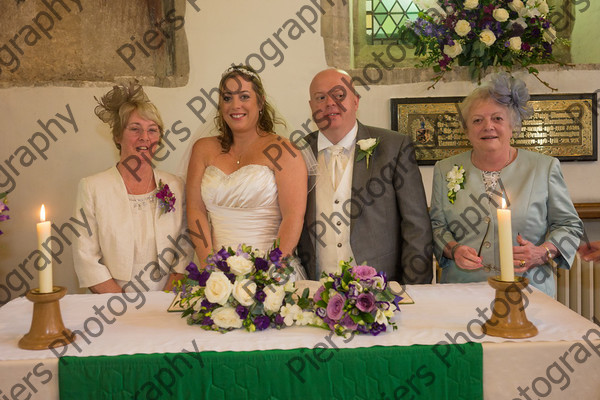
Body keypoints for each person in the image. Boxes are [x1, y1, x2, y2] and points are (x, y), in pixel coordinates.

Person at [429, 73, 583, 297]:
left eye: (497, 118)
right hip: (462, 291)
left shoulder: (544, 168)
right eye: (477, 120)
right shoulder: (444, 169)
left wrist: (542, 252)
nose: (487, 126)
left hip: (529, 291)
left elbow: (570, 226)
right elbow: (436, 227)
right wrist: (453, 249)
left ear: (513, 126)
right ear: (467, 131)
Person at [297, 68, 433, 283]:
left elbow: (416, 226)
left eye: (339, 95)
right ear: (312, 106)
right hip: (315, 289)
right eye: (320, 97)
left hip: (381, 291)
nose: (330, 103)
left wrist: (415, 291)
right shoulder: (297, 152)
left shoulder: (394, 147)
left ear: (356, 101)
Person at [186, 66, 308, 279]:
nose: (235, 105)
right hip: (217, 275)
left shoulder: (284, 151)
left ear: (260, 102)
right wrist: (211, 269)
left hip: (271, 274)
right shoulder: (203, 149)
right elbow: (195, 210)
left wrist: (269, 274)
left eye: (244, 96)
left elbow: (293, 217)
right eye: (227, 98)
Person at [73, 82, 193, 293]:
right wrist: (121, 305)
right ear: (118, 136)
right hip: (111, 302)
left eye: (152, 130)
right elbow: (87, 257)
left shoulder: (175, 185)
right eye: (135, 129)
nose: (144, 138)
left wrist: (164, 299)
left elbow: (185, 248)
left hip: (166, 299)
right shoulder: (93, 187)